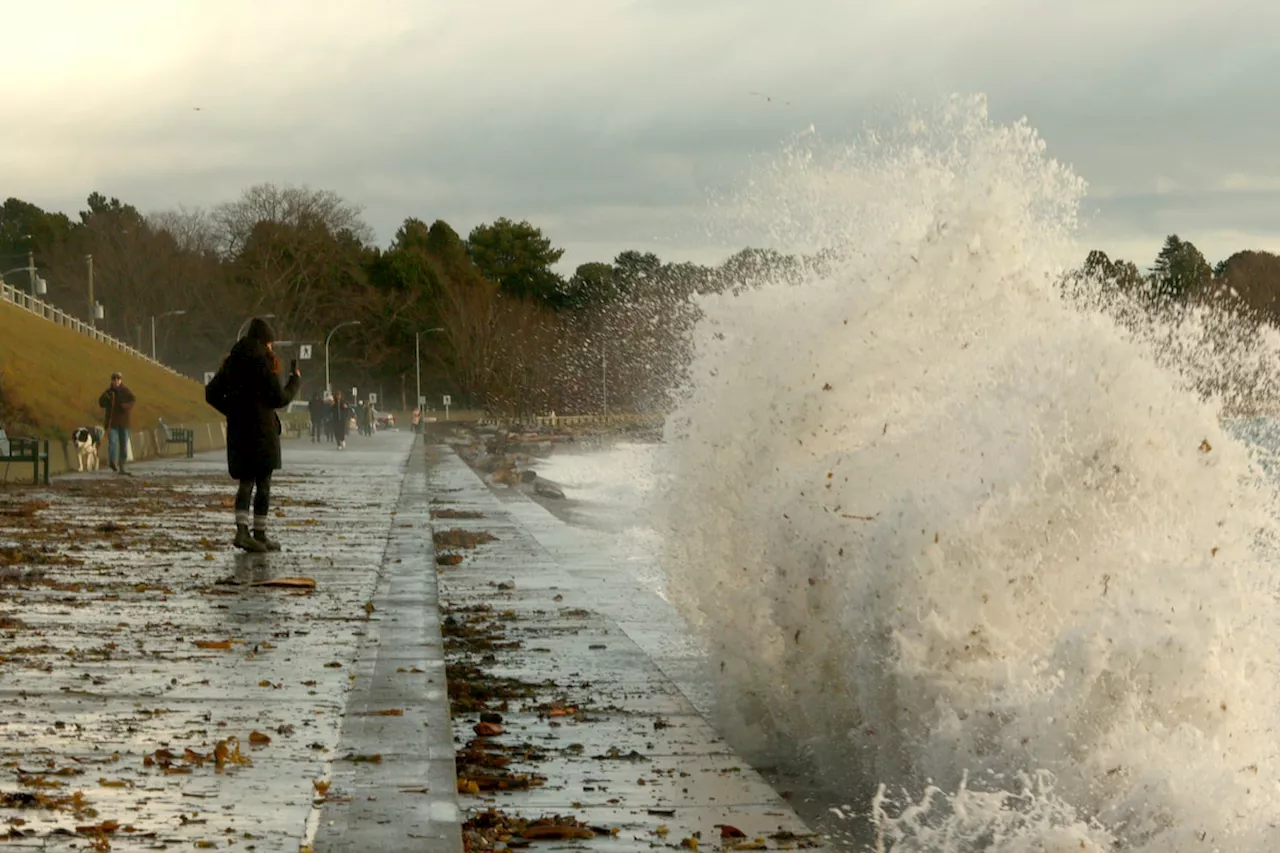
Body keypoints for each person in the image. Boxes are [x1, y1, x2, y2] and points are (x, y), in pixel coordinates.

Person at [204, 317, 301, 553]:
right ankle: (259, 533)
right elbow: (278, 398)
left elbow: (211, 393)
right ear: (265, 341)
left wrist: (233, 411)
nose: (271, 348)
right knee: (263, 484)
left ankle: (243, 532)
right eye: (271, 343)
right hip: (262, 431)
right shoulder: (262, 362)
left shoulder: (232, 361)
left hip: (239, 430)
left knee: (246, 482)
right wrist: (294, 381)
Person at [97, 371, 136, 475]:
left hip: (124, 423)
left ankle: (122, 465)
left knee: (123, 445)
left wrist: (126, 406)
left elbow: (133, 400)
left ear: (121, 380)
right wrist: (105, 399)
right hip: (112, 423)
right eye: (114, 379)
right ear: (112, 380)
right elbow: (100, 403)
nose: (116, 381)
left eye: (118, 379)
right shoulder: (108, 392)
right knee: (113, 443)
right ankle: (112, 462)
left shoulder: (126, 391)